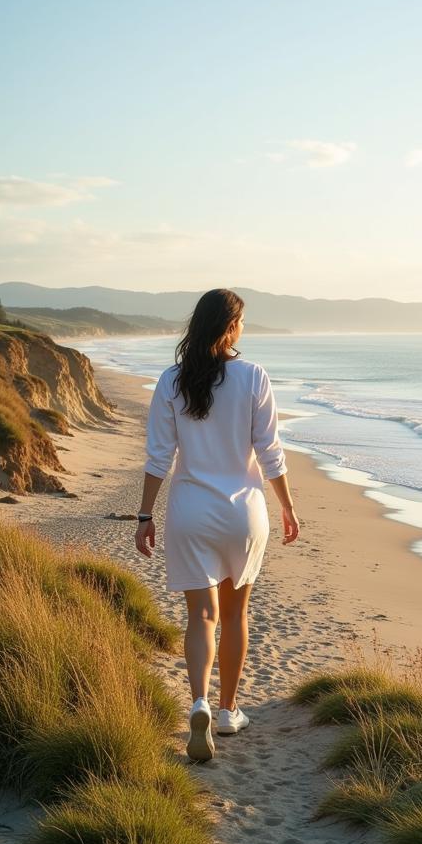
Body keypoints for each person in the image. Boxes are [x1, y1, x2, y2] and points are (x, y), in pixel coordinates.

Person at [134, 288, 300, 761]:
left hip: (189, 511)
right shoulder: (253, 377)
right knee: (234, 615)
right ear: (231, 327)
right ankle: (228, 711)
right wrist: (287, 506)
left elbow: (158, 457)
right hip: (243, 513)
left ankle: (199, 702)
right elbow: (270, 452)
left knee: (200, 617)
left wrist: (145, 515)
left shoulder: (171, 381)